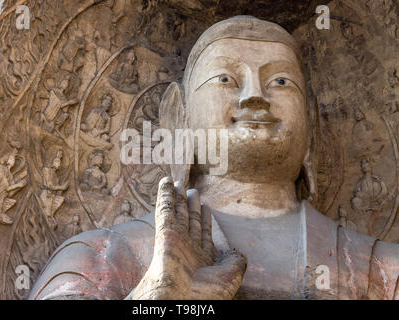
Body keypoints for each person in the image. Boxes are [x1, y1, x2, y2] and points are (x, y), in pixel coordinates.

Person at [30, 16, 399, 300]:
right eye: (226, 78)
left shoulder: (383, 268)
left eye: (281, 82)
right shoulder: (105, 255)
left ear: (311, 119)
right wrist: (155, 300)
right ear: (180, 115)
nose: (254, 96)